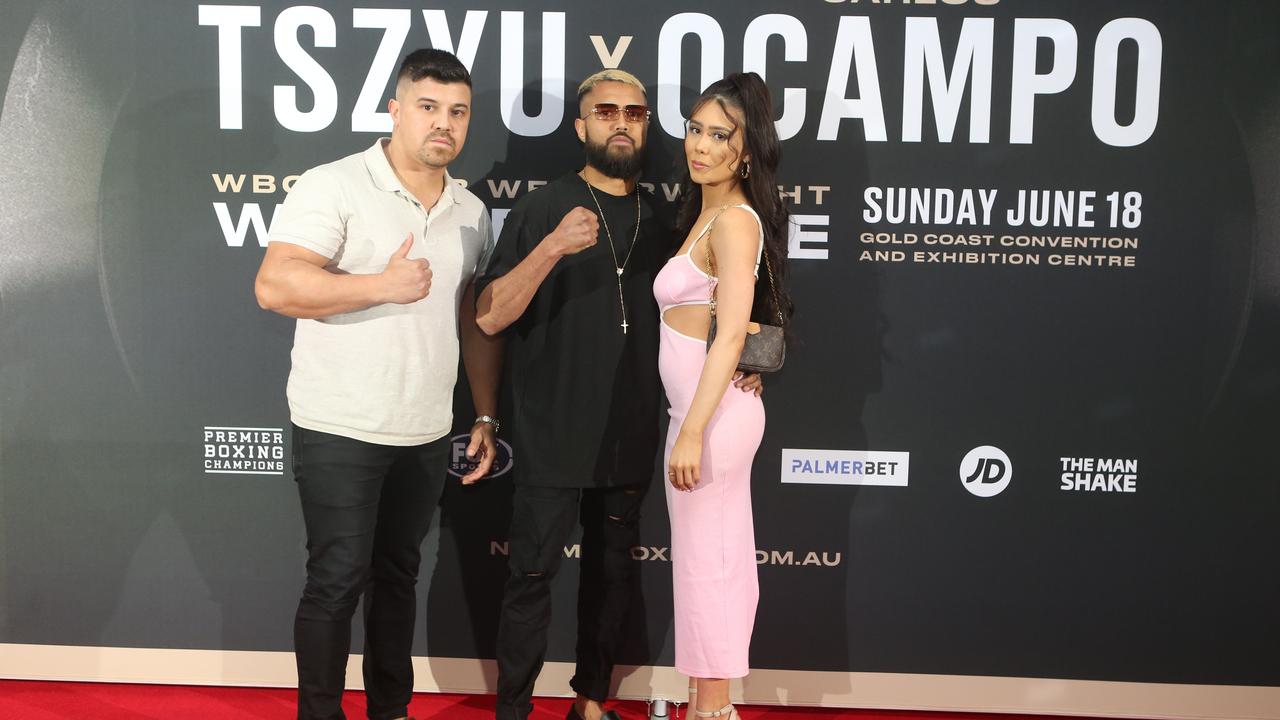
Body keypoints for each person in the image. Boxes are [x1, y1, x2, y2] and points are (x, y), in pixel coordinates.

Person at [474, 69, 761, 720]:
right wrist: (551, 247)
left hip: (631, 431)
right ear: (581, 127)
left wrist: (756, 356)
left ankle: (591, 702)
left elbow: (729, 303)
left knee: (613, 579)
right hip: (548, 434)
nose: (622, 122)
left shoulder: (669, 219)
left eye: (636, 112)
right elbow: (489, 315)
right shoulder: (543, 207)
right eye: (606, 111)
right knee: (530, 579)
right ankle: (513, 712)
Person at [254, 48, 503, 720]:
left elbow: (470, 320)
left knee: (398, 580)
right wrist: (379, 285)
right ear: (395, 110)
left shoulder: (471, 211)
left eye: (458, 112)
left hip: (424, 432)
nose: (442, 124)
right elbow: (274, 285)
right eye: (428, 107)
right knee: (336, 582)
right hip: (339, 426)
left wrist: (483, 415)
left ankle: (389, 710)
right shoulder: (332, 184)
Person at [654, 72, 794, 720]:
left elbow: (732, 332)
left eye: (720, 135)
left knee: (710, 563)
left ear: (746, 149)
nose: (701, 145)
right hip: (699, 414)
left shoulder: (735, 221)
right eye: (696, 129)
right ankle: (707, 705)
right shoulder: (707, 212)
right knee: (707, 559)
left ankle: (712, 712)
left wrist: (691, 430)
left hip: (709, 420)